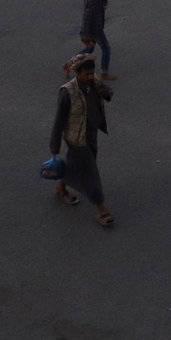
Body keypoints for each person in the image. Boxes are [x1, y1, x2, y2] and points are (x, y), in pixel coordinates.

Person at [49, 54, 114, 228]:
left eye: (92, 73)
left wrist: (106, 93)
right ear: (77, 73)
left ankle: (61, 188)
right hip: (76, 138)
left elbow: (108, 92)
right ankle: (101, 209)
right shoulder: (67, 92)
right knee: (90, 170)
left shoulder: (94, 82)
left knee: (76, 164)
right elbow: (59, 119)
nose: (90, 77)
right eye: (86, 74)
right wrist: (54, 143)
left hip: (91, 133)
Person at [78, 0, 114, 82]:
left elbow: (101, 6)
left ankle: (70, 64)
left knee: (89, 49)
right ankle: (104, 73)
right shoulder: (93, 0)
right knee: (106, 49)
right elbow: (87, 18)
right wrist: (86, 35)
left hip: (92, 29)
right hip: (95, 30)